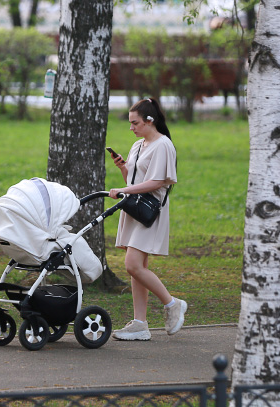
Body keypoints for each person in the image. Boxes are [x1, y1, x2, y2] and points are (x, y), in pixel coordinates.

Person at [108, 98, 187, 341]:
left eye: (135, 123)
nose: (131, 127)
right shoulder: (138, 146)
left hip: (150, 212)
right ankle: (140, 323)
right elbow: (133, 181)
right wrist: (123, 168)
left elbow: (158, 182)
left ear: (150, 121)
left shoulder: (163, 145)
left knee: (132, 265)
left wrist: (125, 192)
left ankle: (172, 304)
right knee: (137, 269)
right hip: (136, 209)